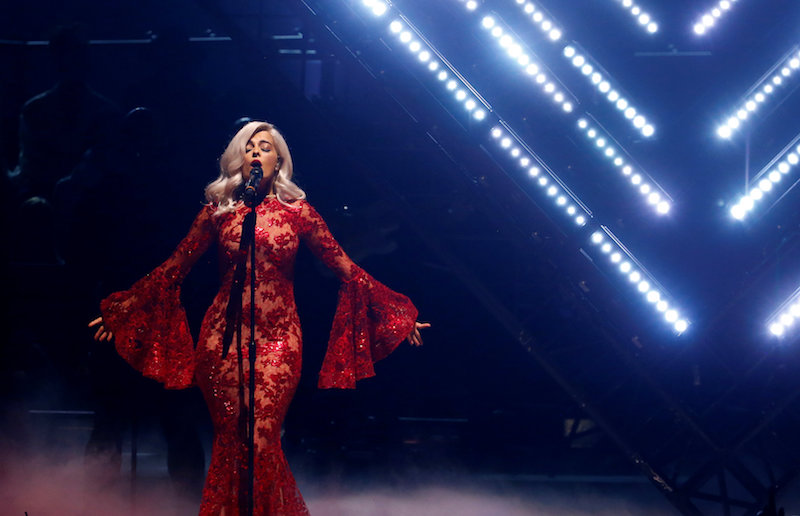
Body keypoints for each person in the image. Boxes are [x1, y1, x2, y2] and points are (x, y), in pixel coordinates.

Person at [89, 121, 429, 515]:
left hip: (280, 339)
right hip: (222, 340)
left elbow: (346, 268)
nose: (255, 152)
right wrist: (127, 307)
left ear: (278, 159)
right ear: (238, 157)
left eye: (264, 146)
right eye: (248, 147)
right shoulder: (218, 212)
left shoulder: (298, 212)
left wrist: (396, 314)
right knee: (231, 443)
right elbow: (173, 268)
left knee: (263, 440)